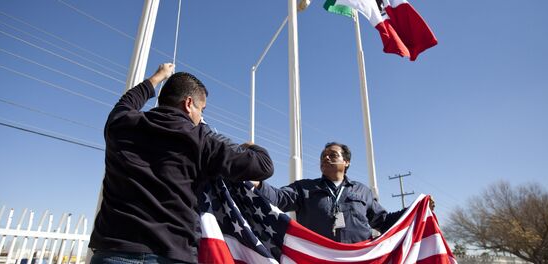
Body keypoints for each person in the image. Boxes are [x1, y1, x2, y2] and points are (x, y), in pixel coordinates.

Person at [89, 63, 274, 264]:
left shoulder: (121, 123)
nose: (200, 117)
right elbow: (264, 166)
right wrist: (251, 147)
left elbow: (128, 100)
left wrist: (158, 76)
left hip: (112, 252)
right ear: (188, 103)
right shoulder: (202, 140)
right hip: (171, 255)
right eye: (201, 109)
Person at [253, 142, 424, 243]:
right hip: (319, 259)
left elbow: (383, 221)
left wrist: (418, 209)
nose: (325, 158)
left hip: (358, 259)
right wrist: (257, 184)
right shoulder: (304, 188)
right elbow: (278, 198)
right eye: (323, 156)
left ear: (346, 162)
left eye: (333, 155)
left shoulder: (362, 191)